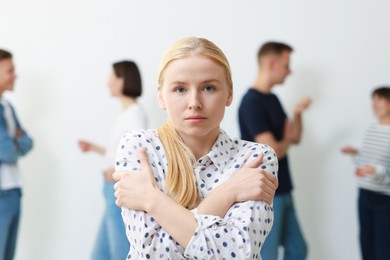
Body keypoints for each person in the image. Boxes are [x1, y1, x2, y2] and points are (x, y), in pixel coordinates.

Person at [112, 37, 279, 259]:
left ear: (229, 94)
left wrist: (152, 200)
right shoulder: (139, 148)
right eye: (180, 89)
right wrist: (228, 193)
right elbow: (155, 254)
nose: (194, 102)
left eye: (208, 88)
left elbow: (238, 254)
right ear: (161, 97)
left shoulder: (257, 158)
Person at [238, 42, 311, 260]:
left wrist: (297, 114)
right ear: (271, 63)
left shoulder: (273, 99)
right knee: (266, 254)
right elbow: (273, 150)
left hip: (285, 189)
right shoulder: (251, 103)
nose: (290, 71)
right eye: (287, 65)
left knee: (298, 250)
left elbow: (294, 138)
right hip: (267, 194)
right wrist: (286, 140)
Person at [78, 60, 147, 260]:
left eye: (111, 77)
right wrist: (94, 148)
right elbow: (120, 151)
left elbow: (137, 157)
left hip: (119, 188)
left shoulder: (135, 115)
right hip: (112, 188)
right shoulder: (127, 113)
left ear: (122, 80)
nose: (107, 82)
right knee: (101, 254)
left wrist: (115, 172)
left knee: (119, 252)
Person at [341, 86, 390, 260]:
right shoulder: (372, 129)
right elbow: (366, 163)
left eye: (379, 99)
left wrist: (374, 170)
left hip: (384, 200)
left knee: (384, 250)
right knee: (366, 247)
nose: (374, 104)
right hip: (365, 194)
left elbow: (381, 170)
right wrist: (356, 154)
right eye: (373, 100)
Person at [0, 49, 33, 260]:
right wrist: (16, 141)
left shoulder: (7, 106)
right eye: (9, 71)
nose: (15, 75)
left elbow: (28, 143)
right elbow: (8, 150)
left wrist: (16, 141)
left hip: (13, 190)